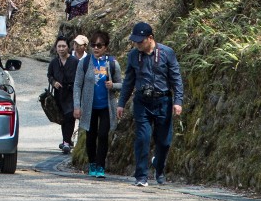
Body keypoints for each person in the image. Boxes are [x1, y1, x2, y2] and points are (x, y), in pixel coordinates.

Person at [117, 21, 184, 187]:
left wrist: (178, 101)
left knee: (164, 141)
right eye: (135, 41)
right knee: (143, 138)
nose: (137, 44)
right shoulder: (133, 55)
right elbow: (128, 81)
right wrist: (121, 103)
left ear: (150, 38)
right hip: (142, 101)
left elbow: (176, 79)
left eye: (140, 41)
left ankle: (159, 167)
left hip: (163, 100)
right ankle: (141, 176)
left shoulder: (167, 53)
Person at [74, 30, 120, 178]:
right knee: (90, 135)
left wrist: (113, 85)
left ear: (105, 47)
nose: (96, 48)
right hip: (89, 106)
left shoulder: (112, 63)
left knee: (103, 135)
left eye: (99, 45)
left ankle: (101, 166)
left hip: (106, 106)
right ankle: (92, 163)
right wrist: (77, 105)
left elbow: (123, 84)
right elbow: (77, 85)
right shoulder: (85, 62)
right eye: (93, 45)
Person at [48, 34, 79, 154]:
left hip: (71, 93)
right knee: (63, 118)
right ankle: (66, 140)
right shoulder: (54, 62)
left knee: (69, 116)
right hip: (59, 94)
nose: (61, 48)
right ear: (56, 48)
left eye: (63, 46)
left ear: (68, 47)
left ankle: (66, 142)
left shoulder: (74, 61)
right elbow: (49, 75)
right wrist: (54, 82)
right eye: (59, 46)